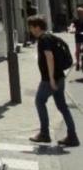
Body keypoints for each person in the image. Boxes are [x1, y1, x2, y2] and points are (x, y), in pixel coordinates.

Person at [27, 15, 79, 147]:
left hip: (50, 79)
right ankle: (72, 136)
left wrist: (50, 79)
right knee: (62, 106)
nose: (30, 30)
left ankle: (44, 133)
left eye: (31, 27)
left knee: (39, 101)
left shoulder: (43, 39)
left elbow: (49, 57)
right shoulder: (50, 37)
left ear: (37, 27)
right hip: (59, 76)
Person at [72, 6, 83, 71]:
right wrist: (71, 29)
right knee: (77, 50)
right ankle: (78, 63)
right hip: (78, 35)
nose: (80, 14)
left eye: (81, 12)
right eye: (79, 12)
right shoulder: (75, 20)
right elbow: (72, 26)